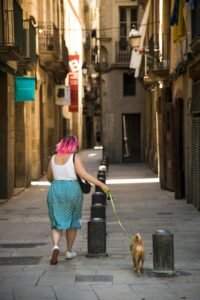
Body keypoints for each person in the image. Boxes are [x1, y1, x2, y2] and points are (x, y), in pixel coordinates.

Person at [46, 135, 109, 265]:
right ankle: (69, 251)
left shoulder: (53, 158)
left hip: (55, 189)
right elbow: (84, 175)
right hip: (72, 189)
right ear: (73, 145)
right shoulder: (74, 157)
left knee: (56, 221)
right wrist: (101, 184)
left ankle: (56, 246)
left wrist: (58, 182)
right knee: (72, 220)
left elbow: (49, 177)